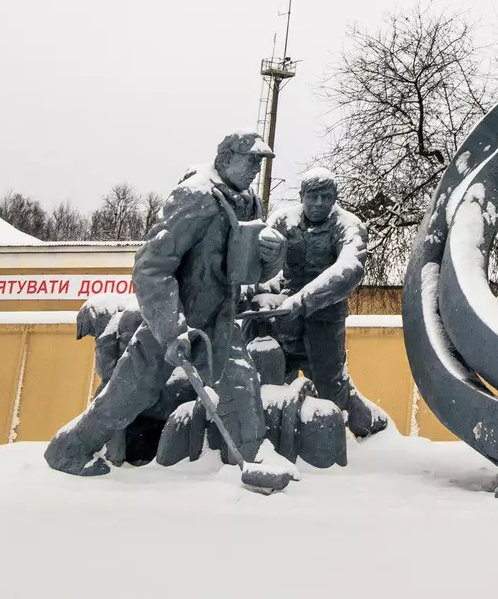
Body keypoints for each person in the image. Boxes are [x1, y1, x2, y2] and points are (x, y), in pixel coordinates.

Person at [44, 132, 275, 476]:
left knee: (242, 384)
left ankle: (255, 464)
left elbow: (243, 266)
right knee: (131, 391)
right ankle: (68, 451)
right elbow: (151, 266)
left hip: (218, 320)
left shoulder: (248, 203)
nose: (256, 168)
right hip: (174, 319)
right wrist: (172, 330)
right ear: (226, 159)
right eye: (250, 160)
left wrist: (272, 258)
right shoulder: (195, 196)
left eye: (260, 162)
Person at [250, 168, 388, 438]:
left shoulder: (348, 225)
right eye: (312, 196)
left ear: (335, 198)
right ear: (302, 196)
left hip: (325, 317)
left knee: (328, 382)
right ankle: (274, 437)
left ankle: (350, 431)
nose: (319, 203)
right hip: (282, 317)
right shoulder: (282, 221)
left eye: (326, 197)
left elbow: (349, 270)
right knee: (272, 376)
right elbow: (263, 267)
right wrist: (267, 292)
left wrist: (301, 301)